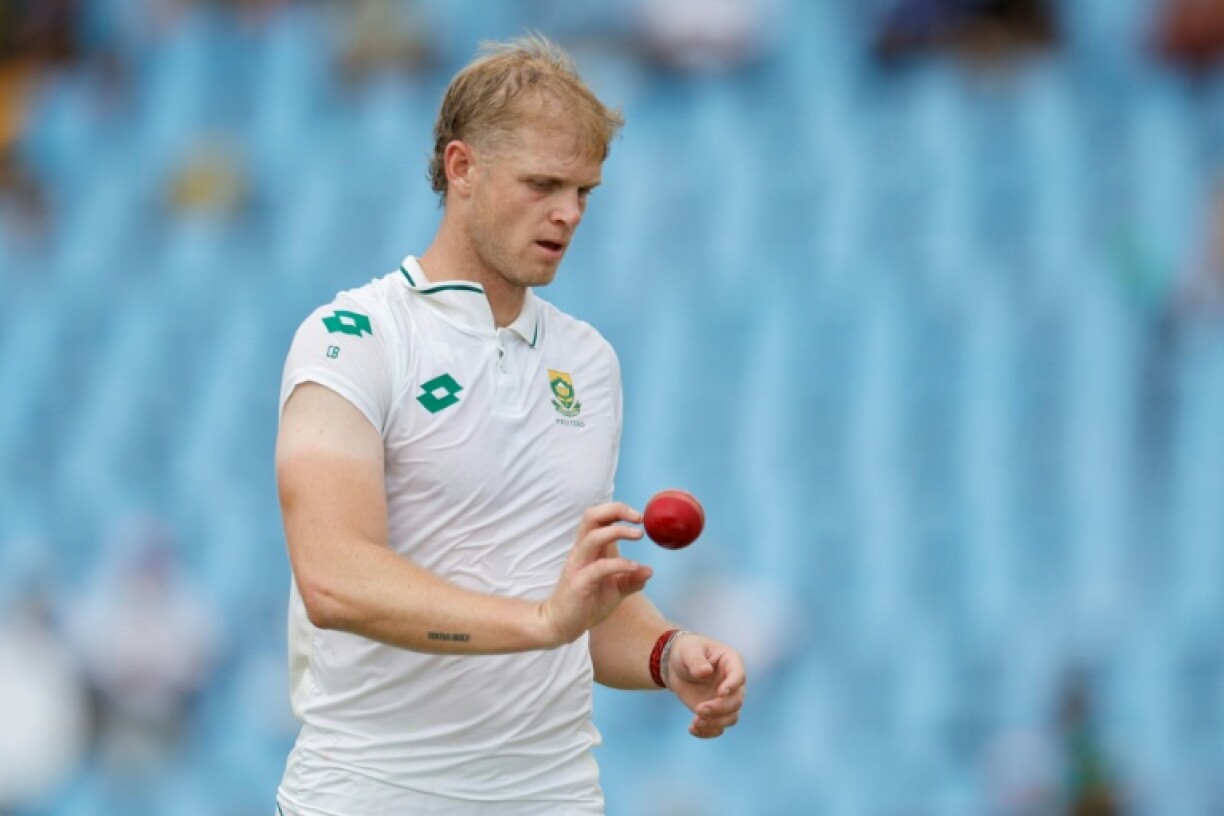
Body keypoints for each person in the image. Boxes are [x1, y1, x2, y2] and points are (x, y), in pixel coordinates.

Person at [274, 34, 747, 815]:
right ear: (461, 169)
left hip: (553, 794)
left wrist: (667, 653)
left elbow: (569, 603)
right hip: (371, 793)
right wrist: (539, 622)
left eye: (585, 191)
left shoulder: (588, 361)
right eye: (543, 184)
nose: (568, 213)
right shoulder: (351, 338)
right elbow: (334, 578)